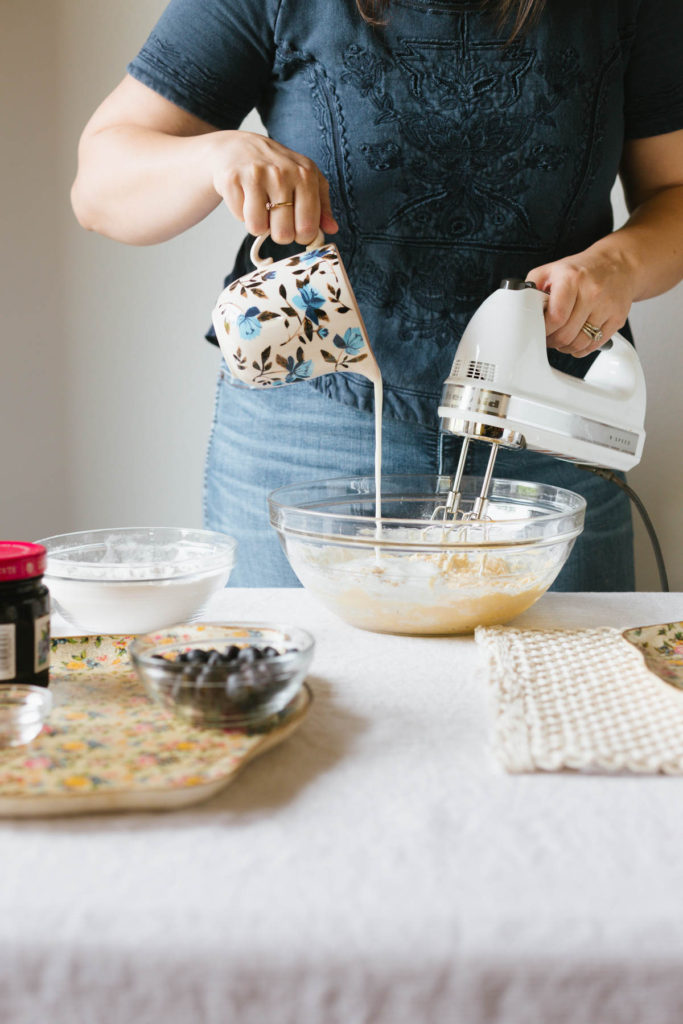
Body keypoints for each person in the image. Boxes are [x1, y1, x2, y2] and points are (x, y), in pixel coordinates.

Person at [71, 0, 683, 589]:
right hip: (312, 429)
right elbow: (99, 190)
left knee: (570, 692)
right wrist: (217, 154)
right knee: (307, 689)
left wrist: (621, 265)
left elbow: (673, 190)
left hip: (549, 430)